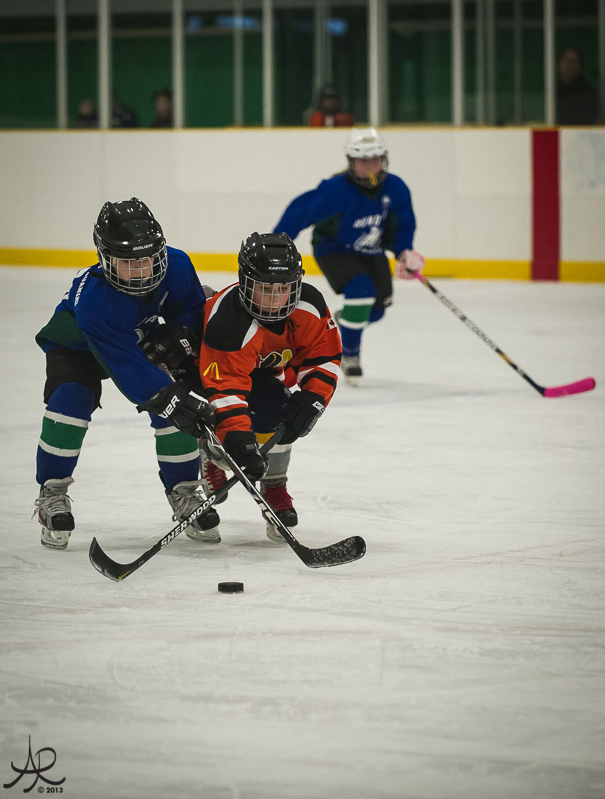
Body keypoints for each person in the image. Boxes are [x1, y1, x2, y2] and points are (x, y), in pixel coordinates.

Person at [33, 197, 216, 550]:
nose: (143, 271)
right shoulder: (95, 303)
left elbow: (192, 310)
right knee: (70, 403)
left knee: (174, 406)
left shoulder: (177, 263)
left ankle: (183, 491)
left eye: (148, 260)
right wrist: (170, 397)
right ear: (105, 259)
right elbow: (127, 368)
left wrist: (176, 334)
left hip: (139, 336)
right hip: (78, 345)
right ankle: (52, 493)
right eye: (129, 263)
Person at [195, 232, 341, 542]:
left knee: (282, 410)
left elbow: (323, 357)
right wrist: (239, 441)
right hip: (208, 368)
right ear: (245, 283)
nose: (275, 299)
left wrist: (314, 397)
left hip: (265, 372)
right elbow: (225, 389)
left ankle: (275, 485)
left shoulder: (310, 306)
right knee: (234, 434)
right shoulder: (228, 321)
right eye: (264, 289)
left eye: (283, 289)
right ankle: (213, 452)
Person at [272, 127, 424, 385]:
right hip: (334, 250)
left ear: (384, 159)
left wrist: (404, 251)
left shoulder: (395, 188)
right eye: (363, 161)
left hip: (372, 252)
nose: (370, 166)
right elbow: (301, 211)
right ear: (351, 162)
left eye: (375, 159)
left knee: (377, 311)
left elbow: (402, 225)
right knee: (361, 290)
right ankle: (350, 356)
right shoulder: (336, 190)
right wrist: (277, 243)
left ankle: (346, 321)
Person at [556, 48, 598, 125]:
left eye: (573, 61)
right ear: (559, 64)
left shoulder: (587, 93)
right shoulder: (553, 91)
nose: (569, 65)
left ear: (580, 66)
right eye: (566, 60)